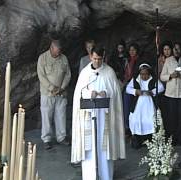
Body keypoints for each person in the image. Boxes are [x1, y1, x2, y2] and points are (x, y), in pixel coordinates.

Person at [71, 45, 126, 180]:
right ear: (90, 56)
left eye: (99, 59)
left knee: (104, 148)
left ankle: (105, 175)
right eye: (94, 58)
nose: (96, 62)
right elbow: (79, 93)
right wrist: (91, 93)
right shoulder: (84, 73)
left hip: (105, 117)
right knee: (90, 148)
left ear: (103, 57)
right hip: (88, 116)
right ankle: (90, 176)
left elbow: (115, 93)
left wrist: (105, 93)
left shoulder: (109, 72)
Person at [37, 39, 71, 150]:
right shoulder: (42, 58)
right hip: (47, 93)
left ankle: (61, 137)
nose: (58, 54)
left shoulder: (64, 58)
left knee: (61, 115)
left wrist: (61, 88)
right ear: (51, 48)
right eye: (56, 52)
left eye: (59, 51)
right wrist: (52, 88)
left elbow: (68, 74)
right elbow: (41, 76)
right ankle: (46, 139)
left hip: (61, 93)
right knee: (47, 116)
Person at [160, 42, 181, 145]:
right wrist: (170, 76)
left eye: (178, 49)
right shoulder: (168, 60)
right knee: (172, 117)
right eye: (175, 49)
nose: (176, 51)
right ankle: (172, 139)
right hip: (170, 94)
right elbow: (162, 76)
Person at [126, 62, 165, 149]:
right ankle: (137, 140)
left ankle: (151, 140)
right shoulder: (136, 79)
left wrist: (152, 92)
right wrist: (136, 91)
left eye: (146, 74)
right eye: (142, 74)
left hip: (149, 104)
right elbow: (128, 89)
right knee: (136, 120)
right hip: (138, 105)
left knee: (150, 120)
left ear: (149, 73)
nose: (144, 76)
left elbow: (161, 87)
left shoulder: (153, 79)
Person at [122, 43, 141, 136]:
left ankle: (132, 128)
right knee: (126, 107)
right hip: (126, 85)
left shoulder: (139, 61)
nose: (131, 52)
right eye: (130, 50)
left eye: (133, 50)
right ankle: (127, 127)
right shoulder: (128, 60)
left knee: (132, 108)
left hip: (136, 86)